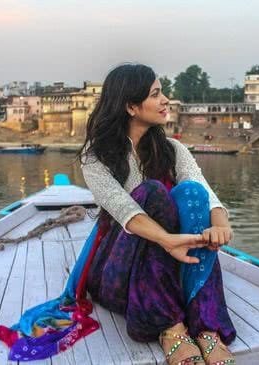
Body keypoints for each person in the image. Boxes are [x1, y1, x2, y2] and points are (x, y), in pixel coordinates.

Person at [79, 63, 236, 365]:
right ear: (131, 106)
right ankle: (170, 328)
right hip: (117, 271)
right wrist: (167, 240)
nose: (165, 100)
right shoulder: (95, 155)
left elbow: (201, 187)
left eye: (162, 92)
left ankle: (206, 327)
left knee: (192, 195)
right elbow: (123, 210)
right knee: (151, 192)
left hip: (173, 261)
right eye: (156, 94)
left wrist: (220, 224)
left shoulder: (173, 149)